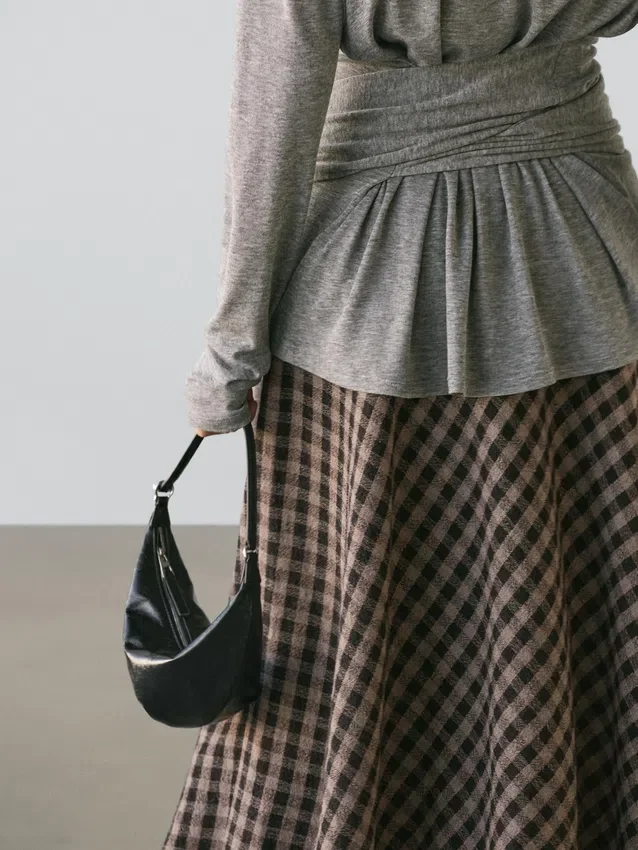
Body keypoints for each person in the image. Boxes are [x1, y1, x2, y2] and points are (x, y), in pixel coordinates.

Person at [163, 1, 638, 847]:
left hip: (377, 289)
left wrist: (229, 356)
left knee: (346, 627)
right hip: (587, 262)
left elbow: (272, 131)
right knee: (582, 596)